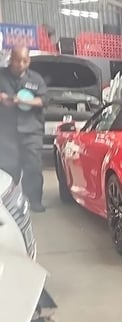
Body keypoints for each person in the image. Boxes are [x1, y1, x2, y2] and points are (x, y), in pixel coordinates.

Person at [0, 45, 47, 212]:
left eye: (24, 60)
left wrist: (23, 101)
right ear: (10, 59)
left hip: (31, 131)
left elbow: (42, 100)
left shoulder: (36, 79)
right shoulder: (1, 76)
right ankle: (7, 203)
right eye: (17, 60)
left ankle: (34, 201)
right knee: (8, 168)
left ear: (29, 61)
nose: (20, 64)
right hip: (6, 133)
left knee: (33, 167)